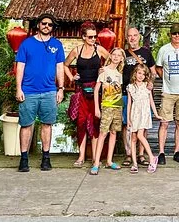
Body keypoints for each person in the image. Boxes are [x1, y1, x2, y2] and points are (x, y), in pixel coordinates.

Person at [14, 13, 65, 172]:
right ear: (38, 25)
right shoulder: (27, 44)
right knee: (26, 125)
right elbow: (20, 67)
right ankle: (24, 158)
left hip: (49, 91)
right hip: (28, 91)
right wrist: (18, 88)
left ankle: (46, 158)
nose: (46, 26)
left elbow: (60, 67)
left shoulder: (57, 45)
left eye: (50, 24)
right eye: (44, 23)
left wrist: (61, 88)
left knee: (47, 124)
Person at [63, 23, 110, 167]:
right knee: (81, 122)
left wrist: (104, 70)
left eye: (95, 37)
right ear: (84, 37)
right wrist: (71, 78)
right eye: (90, 37)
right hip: (81, 89)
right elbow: (65, 65)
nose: (93, 39)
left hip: (96, 90)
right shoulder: (77, 50)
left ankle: (95, 157)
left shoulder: (99, 49)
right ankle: (81, 156)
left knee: (95, 122)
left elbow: (113, 61)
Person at [121, 27, 156, 167]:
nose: (132, 38)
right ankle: (129, 153)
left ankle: (141, 154)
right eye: (130, 36)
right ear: (127, 38)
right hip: (127, 93)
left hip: (142, 95)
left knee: (143, 125)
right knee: (126, 124)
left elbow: (153, 72)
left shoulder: (146, 53)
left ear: (139, 37)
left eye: (135, 35)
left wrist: (151, 82)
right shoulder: (123, 53)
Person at [155, 23, 179, 165]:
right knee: (164, 122)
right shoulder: (164, 50)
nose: (177, 36)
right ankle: (161, 152)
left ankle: (177, 151)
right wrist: (166, 79)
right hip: (168, 91)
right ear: (170, 35)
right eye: (174, 33)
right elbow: (158, 67)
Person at [89, 47, 126, 175]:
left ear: (122, 58)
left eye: (119, 55)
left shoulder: (119, 74)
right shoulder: (104, 71)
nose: (116, 57)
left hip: (117, 106)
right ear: (110, 56)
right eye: (114, 54)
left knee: (113, 132)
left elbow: (118, 91)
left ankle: (109, 160)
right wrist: (97, 107)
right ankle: (96, 163)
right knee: (103, 133)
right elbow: (96, 90)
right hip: (106, 105)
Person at [126, 64, 161, 173]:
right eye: (139, 73)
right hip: (134, 113)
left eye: (143, 74)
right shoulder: (130, 87)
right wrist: (128, 118)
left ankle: (152, 157)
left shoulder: (147, 86)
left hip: (144, 113)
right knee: (133, 138)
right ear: (135, 73)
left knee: (140, 135)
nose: (141, 76)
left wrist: (156, 114)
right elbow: (129, 104)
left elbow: (151, 101)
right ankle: (134, 163)